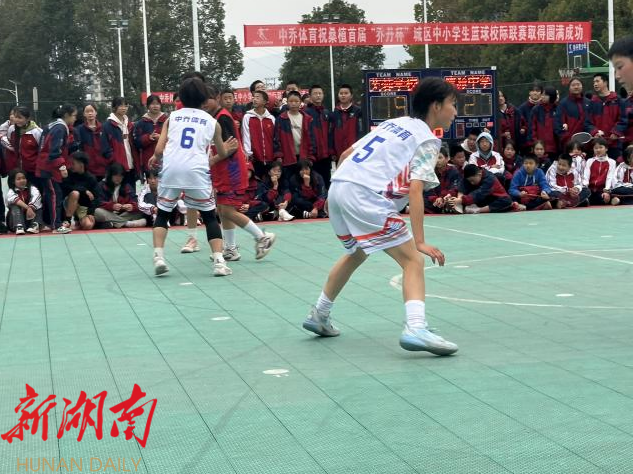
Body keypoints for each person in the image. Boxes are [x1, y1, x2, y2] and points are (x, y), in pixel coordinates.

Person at [302, 77, 458, 356]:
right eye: (453, 104)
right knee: (413, 260)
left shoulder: (393, 124)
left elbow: (347, 153)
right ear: (436, 106)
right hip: (366, 196)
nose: (455, 112)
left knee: (357, 251)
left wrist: (340, 192)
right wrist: (420, 242)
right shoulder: (427, 139)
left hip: (339, 187)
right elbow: (416, 189)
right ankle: (415, 327)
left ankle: (319, 314)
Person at [147, 77, 238, 277]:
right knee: (209, 216)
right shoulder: (212, 122)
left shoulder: (172, 118)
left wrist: (155, 157)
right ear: (204, 99)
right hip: (196, 170)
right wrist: (228, 148)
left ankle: (159, 257)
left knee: (163, 214)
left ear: (181, 98)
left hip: (171, 169)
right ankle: (219, 262)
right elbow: (222, 153)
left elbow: (159, 150)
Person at [201, 84, 276, 262]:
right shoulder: (214, 117)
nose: (204, 103)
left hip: (232, 171)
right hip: (222, 171)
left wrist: (211, 161)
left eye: (207, 99)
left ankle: (262, 237)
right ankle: (231, 248)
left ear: (217, 98)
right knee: (222, 209)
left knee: (227, 209)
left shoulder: (222, 118)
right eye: (201, 100)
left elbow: (231, 147)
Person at [36, 104, 77, 233]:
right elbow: (54, 151)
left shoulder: (52, 125)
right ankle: (56, 225)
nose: (75, 118)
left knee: (52, 195)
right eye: (74, 115)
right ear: (66, 115)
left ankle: (51, 222)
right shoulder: (60, 128)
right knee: (55, 195)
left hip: (45, 166)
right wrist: (62, 166)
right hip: (49, 168)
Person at [274, 90, 315, 182]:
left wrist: (311, 157)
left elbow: (311, 139)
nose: (293, 104)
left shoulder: (307, 119)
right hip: (287, 156)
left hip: (303, 156)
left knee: (302, 181)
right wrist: (279, 156)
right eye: (291, 101)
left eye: (296, 101)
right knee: (288, 181)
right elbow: (277, 139)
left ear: (300, 102)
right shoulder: (281, 119)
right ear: (287, 102)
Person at [101, 97, 139, 187]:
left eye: (126, 105)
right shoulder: (107, 126)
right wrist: (115, 162)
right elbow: (105, 149)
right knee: (118, 193)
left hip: (131, 167)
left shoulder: (129, 124)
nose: (124, 108)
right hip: (117, 170)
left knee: (131, 192)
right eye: (120, 105)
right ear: (114, 107)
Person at [588, 73, 627, 160]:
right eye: (594, 82)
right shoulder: (592, 102)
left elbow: (623, 119)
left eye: (597, 81)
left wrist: (616, 132)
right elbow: (587, 122)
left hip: (615, 145)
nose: (595, 84)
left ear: (605, 82)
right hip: (598, 145)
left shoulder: (618, 100)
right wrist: (595, 132)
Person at [95, 163, 146, 229]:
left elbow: (137, 202)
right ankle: (127, 223)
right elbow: (98, 203)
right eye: (115, 176)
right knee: (97, 212)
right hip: (108, 213)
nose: (118, 178)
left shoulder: (127, 186)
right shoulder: (101, 185)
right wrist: (112, 206)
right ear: (110, 175)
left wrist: (132, 206)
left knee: (141, 211)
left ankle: (114, 223)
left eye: (120, 176)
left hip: (122, 213)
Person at [450, 164, 516, 214]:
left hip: (491, 199)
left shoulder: (490, 179)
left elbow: (479, 194)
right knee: (462, 187)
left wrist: (461, 200)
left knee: (506, 201)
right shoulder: (469, 175)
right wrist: (457, 199)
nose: (471, 183)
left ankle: (477, 210)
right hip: (475, 199)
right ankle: (461, 205)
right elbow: (461, 187)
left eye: (472, 180)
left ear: (480, 174)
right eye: (470, 181)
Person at [61, 151, 100, 230]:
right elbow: (65, 187)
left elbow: (95, 198)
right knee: (75, 193)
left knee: (88, 225)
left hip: (83, 208)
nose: (71, 166)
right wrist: (84, 190)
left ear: (81, 164)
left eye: (73, 163)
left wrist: (90, 213)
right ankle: (67, 221)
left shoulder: (91, 178)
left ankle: (78, 221)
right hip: (69, 203)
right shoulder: (69, 173)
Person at [242, 90, 275, 178]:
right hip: (255, 158)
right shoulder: (247, 117)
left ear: (265, 102)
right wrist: (248, 153)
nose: (254, 99)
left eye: (257, 97)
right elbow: (246, 135)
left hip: (270, 157)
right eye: (254, 97)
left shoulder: (271, 119)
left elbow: (275, 138)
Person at [304, 85, 332, 187]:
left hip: (326, 155)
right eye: (315, 93)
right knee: (314, 182)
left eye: (320, 93)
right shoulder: (306, 113)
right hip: (313, 155)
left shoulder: (326, 112)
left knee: (326, 181)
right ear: (310, 96)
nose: (318, 95)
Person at [74, 104, 109, 182]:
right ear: (84, 114)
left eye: (92, 111)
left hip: (103, 169)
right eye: (87, 111)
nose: (90, 113)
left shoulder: (104, 128)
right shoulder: (79, 130)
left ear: (96, 112)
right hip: (87, 170)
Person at [134, 94, 168, 175]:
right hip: (147, 161)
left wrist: (161, 138)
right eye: (152, 104)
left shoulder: (167, 120)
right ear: (148, 106)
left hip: (165, 160)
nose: (155, 106)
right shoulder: (141, 123)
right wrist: (148, 138)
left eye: (157, 104)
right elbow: (136, 142)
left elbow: (174, 139)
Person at [329, 84, 363, 164]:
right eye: (341, 93)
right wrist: (332, 151)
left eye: (346, 93)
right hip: (339, 154)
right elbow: (331, 133)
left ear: (351, 96)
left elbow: (361, 132)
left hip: (354, 152)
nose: (343, 95)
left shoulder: (358, 112)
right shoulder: (335, 113)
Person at [555, 77, 592, 150]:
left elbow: (592, 122)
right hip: (570, 145)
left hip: (587, 145)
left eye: (578, 84)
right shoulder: (563, 103)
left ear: (582, 86)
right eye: (573, 85)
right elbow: (558, 124)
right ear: (569, 87)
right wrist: (568, 140)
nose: (576, 87)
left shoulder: (589, 102)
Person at [423, 147, 461, 214]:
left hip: (447, 197)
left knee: (453, 200)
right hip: (435, 201)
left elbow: (454, 188)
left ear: (447, 159)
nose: (437, 160)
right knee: (422, 199)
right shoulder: (430, 172)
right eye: (435, 158)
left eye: (440, 158)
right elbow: (428, 190)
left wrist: (443, 197)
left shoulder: (454, 171)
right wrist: (435, 199)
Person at [5, 168, 43, 234]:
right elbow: (15, 200)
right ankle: (19, 226)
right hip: (14, 221)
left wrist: (31, 207)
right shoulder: (11, 192)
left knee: (38, 206)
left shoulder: (32, 188)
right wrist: (27, 208)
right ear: (13, 181)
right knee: (14, 206)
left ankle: (35, 224)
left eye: (23, 178)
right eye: (18, 179)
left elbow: (37, 197)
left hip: (30, 219)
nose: (22, 180)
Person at [582, 137, 617, 204]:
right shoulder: (590, 161)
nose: (598, 150)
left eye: (601, 147)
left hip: (602, 190)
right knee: (584, 193)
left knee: (604, 196)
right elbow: (586, 176)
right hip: (590, 190)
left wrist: (606, 189)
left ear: (606, 149)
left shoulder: (612, 162)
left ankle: (608, 199)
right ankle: (587, 200)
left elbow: (610, 177)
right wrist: (585, 187)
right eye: (596, 148)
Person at [528, 86, 558, 159]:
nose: (542, 96)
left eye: (545, 95)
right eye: (542, 94)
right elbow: (532, 129)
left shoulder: (557, 109)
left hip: (554, 149)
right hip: (539, 149)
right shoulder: (536, 109)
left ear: (551, 96)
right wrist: (535, 145)